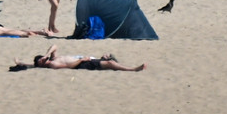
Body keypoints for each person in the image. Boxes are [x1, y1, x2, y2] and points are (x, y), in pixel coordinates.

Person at [14, 45, 146, 71]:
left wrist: (47, 54)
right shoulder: (53, 65)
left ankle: (109, 61)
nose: (42, 60)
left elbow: (54, 45)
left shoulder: (52, 58)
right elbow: (69, 66)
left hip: (85, 59)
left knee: (107, 56)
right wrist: (81, 60)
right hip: (82, 64)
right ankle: (133, 69)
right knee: (109, 62)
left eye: (41, 58)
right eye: (41, 62)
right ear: (42, 65)